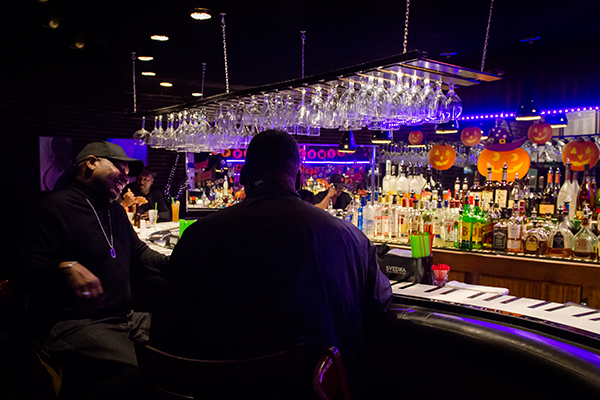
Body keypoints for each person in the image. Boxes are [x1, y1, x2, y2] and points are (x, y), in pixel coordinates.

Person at [151, 130, 392, 398]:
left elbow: (165, 328)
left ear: (243, 178)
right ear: (299, 178)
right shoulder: (350, 237)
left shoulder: (199, 236)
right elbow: (380, 302)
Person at [11, 141, 169, 398]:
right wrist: (64, 267)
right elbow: (20, 271)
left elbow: (140, 254)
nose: (127, 178)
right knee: (146, 370)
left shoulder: (115, 212)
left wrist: (181, 260)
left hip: (124, 318)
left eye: (129, 172)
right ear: (92, 162)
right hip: (71, 324)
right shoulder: (52, 207)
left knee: (184, 335)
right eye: (120, 167)